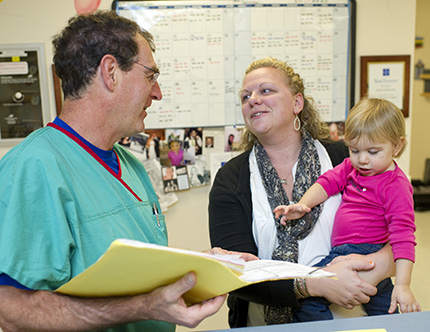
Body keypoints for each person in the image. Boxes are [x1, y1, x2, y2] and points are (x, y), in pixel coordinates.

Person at [0, 11, 255, 332]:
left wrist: (204, 270)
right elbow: (11, 312)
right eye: (151, 75)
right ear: (110, 72)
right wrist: (143, 307)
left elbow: (141, 277)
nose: (157, 92)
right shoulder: (32, 167)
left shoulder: (132, 165)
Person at [209, 57, 395, 328]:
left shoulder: (347, 158)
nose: (253, 100)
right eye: (245, 96)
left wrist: (377, 265)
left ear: (297, 103)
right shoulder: (231, 178)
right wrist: (316, 285)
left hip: (355, 319)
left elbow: (398, 228)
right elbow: (236, 276)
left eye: (266, 90)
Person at [274, 98, 420, 319]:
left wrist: (403, 285)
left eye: (373, 152)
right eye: (354, 150)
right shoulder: (352, 167)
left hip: (365, 253)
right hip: (341, 253)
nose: (362, 160)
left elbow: (403, 236)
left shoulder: (396, 186)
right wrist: (303, 205)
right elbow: (328, 181)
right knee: (383, 311)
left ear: (397, 146)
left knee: (308, 303)